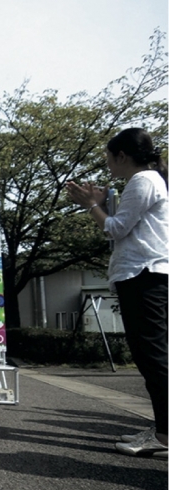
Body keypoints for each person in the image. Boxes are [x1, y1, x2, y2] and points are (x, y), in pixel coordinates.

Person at [66, 127, 168, 459]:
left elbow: (115, 228)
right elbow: (124, 227)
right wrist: (104, 200)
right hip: (145, 275)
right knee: (152, 355)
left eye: (108, 157)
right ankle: (162, 430)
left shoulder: (142, 181)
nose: (107, 164)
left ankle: (165, 436)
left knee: (152, 356)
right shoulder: (147, 181)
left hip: (144, 275)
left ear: (121, 156)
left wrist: (91, 205)